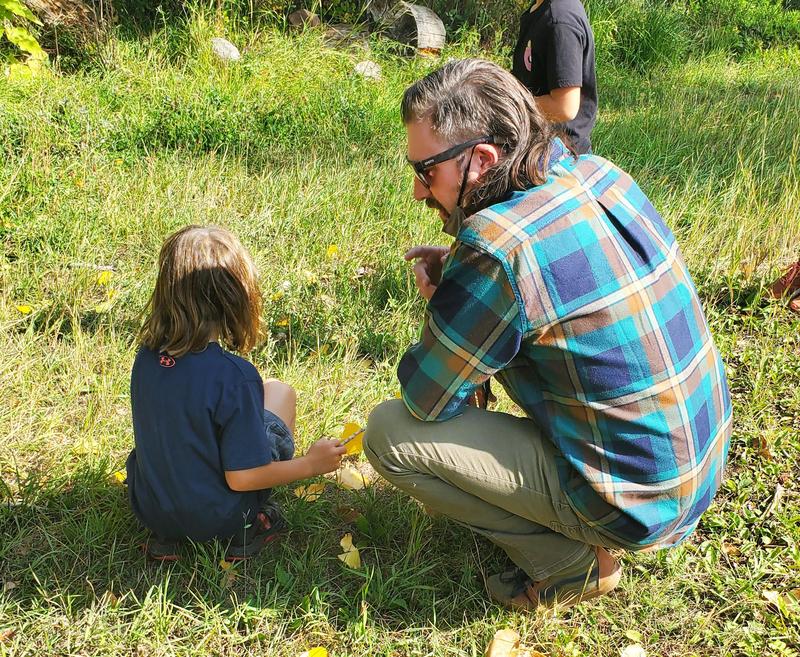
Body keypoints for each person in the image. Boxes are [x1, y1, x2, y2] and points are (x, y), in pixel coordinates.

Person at [363, 59, 732, 610]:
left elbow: (428, 398)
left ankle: (571, 564)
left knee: (388, 434)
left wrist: (448, 301)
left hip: (633, 503)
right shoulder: (601, 174)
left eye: (425, 171)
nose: (419, 192)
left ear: (481, 160)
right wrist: (471, 276)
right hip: (696, 466)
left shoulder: (498, 247)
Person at [126, 225, 346, 561]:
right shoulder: (235, 377)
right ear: (237, 296)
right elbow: (245, 477)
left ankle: (170, 538)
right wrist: (311, 465)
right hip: (219, 517)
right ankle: (248, 527)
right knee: (281, 393)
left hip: (152, 509)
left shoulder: (146, 358)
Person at [511, 0, 597, 154]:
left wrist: (512, 103)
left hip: (559, 153)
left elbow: (565, 107)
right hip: (535, 137)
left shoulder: (560, 21)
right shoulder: (539, 9)